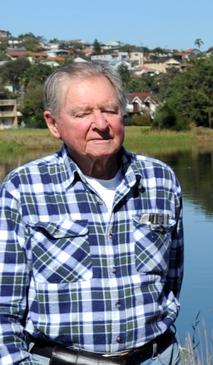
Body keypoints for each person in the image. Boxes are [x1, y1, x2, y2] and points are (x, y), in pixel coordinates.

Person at [0, 62, 183, 365]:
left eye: (110, 110)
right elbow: (3, 308)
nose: (100, 123)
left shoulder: (159, 180)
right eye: (82, 114)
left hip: (156, 357)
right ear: (53, 123)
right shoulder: (24, 188)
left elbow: (172, 283)